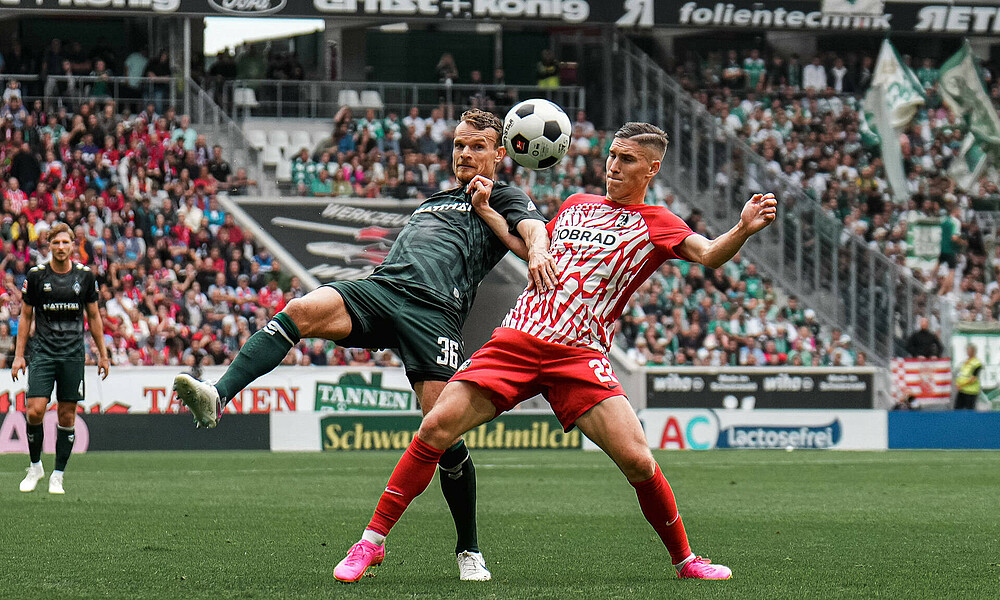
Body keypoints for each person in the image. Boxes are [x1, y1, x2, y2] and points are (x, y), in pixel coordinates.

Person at [332, 122, 777, 583]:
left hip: (579, 355)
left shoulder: (658, 222)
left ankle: (686, 561)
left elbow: (707, 254)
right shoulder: (575, 205)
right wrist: (486, 213)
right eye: (611, 156)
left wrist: (742, 229)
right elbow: (530, 248)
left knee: (639, 460)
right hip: (518, 339)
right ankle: (372, 542)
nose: (613, 166)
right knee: (436, 426)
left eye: (626, 159)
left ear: (652, 168)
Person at [172, 108, 555, 581]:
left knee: (443, 434)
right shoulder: (434, 199)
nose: (465, 154)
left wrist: (530, 243)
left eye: (477, 146)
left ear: (500, 152)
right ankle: (219, 394)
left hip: (434, 312)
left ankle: (468, 549)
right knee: (299, 311)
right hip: (382, 288)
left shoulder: (503, 196)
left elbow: (534, 231)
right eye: (458, 145)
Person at [14, 223, 110, 495]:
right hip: (43, 352)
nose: (60, 247)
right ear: (49, 246)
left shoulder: (85, 277)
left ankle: (58, 474)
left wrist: (103, 355)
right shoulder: (36, 276)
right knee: (34, 410)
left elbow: (94, 317)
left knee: (67, 415)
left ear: (72, 246)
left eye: (65, 243)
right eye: (56, 243)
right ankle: (35, 467)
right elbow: (25, 316)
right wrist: (19, 355)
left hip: (72, 354)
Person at [954, 344, 983, 410]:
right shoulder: (965, 362)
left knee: (969, 410)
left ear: (974, 351)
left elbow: (973, 378)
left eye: (969, 350)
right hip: (962, 390)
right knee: (957, 409)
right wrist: (957, 383)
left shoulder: (977, 363)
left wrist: (961, 384)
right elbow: (961, 374)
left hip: (971, 391)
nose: (967, 352)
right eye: (967, 350)